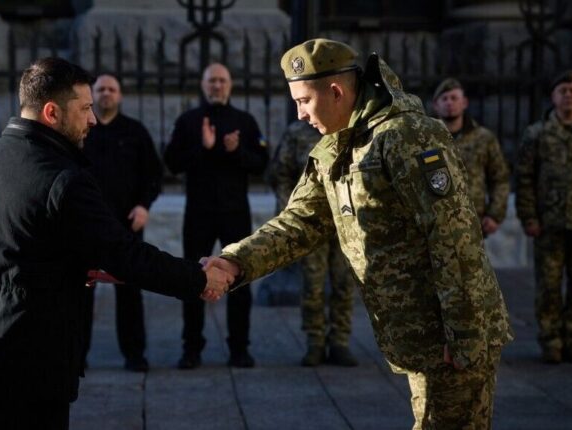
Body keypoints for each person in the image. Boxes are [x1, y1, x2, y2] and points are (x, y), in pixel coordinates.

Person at [203, 39, 513, 429]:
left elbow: (454, 236)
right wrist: (236, 261)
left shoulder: (406, 135)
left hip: (450, 332)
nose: (298, 114)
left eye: (303, 101)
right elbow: (300, 222)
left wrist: (463, 332)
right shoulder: (335, 146)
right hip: (417, 332)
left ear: (335, 91)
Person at [0, 58, 232, 429]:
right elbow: (125, 255)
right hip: (31, 360)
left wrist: (66, 266)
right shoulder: (63, 180)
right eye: (84, 109)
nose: (93, 120)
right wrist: (198, 278)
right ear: (51, 112)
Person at [163, 62, 269, 369]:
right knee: (191, 279)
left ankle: (239, 348)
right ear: (203, 85)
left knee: (239, 279)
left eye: (222, 81)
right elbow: (172, 162)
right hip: (198, 212)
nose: (217, 86)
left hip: (235, 212)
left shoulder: (245, 121)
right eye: (212, 81)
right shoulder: (189, 121)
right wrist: (204, 147)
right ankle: (191, 348)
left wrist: (236, 151)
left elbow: (261, 164)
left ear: (230, 85)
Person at [80, 73, 163, 372]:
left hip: (126, 227)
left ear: (120, 95)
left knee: (129, 291)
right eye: (100, 89)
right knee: (81, 294)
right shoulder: (82, 131)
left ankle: (134, 354)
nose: (105, 94)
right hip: (86, 227)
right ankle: (76, 356)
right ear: (92, 96)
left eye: (111, 89)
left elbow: (153, 175)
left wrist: (144, 206)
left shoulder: (135, 132)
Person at [267, 120, 358, 367]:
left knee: (344, 283)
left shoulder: (350, 127)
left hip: (346, 222)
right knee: (312, 285)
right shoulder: (297, 132)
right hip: (311, 223)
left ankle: (340, 341)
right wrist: (290, 211)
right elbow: (281, 173)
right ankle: (315, 342)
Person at [516, 69, 572, 364]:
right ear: (553, 97)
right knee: (549, 286)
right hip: (550, 223)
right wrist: (529, 217)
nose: (568, 95)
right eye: (563, 91)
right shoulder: (537, 134)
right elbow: (525, 178)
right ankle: (551, 339)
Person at [431, 78, 510, 236]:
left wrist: (495, 214)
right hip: (435, 224)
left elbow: (500, 178)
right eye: (444, 99)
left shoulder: (483, 138)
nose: (449, 103)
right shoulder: (425, 139)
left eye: (454, 98)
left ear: (464, 102)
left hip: (473, 223)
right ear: (436, 105)